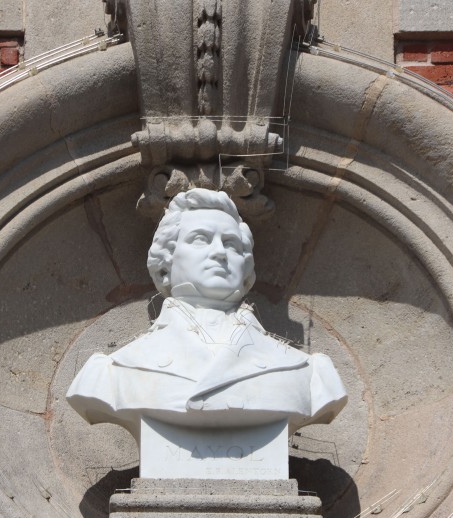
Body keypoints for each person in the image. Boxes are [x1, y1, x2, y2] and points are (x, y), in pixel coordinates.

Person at [67, 189, 347, 442]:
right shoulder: (111, 372)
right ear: (165, 264)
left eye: (230, 244)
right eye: (200, 240)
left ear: (247, 268)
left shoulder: (309, 373)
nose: (219, 253)